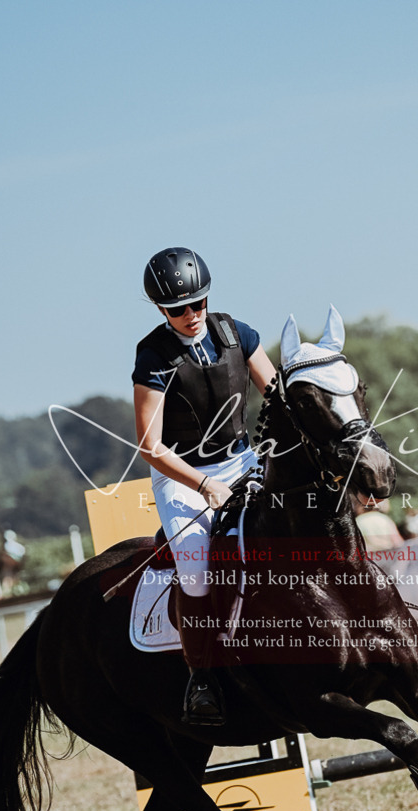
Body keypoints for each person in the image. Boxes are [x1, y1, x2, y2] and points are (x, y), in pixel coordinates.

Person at [133, 247, 275, 725]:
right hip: (183, 475)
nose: (192, 316)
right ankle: (202, 678)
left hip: (244, 459)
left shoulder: (237, 334)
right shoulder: (153, 355)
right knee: (194, 564)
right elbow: (150, 445)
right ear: (160, 310)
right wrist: (203, 484)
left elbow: (275, 396)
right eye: (179, 310)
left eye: (199, 304)